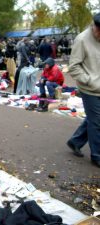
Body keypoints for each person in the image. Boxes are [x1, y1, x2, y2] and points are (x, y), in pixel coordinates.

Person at [66, 13, 100, 168]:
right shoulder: (82, 40)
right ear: (94, 26)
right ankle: (97, 155)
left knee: (95, 119)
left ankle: (75, 141)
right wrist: (89, 80)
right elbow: (73, 67)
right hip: (89, 88)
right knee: (97, 122)